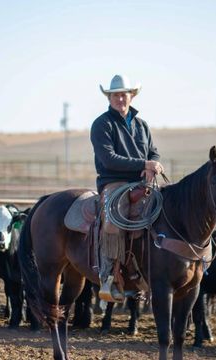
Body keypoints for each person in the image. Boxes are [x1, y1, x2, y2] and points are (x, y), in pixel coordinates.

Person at [90, 74, 164, 302]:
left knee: (166, 208)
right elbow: (109, 158)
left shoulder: (141, 125)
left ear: (131, 96)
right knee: (116, 212)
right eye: (115, 95)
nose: (120, 99)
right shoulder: (102, 124)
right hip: (113, 181)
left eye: (124, 94)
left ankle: (152, 268)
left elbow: (153, 151)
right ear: (109, 98)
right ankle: (108, 276)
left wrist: (154, 164)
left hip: (143, 181)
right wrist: (144, 164)